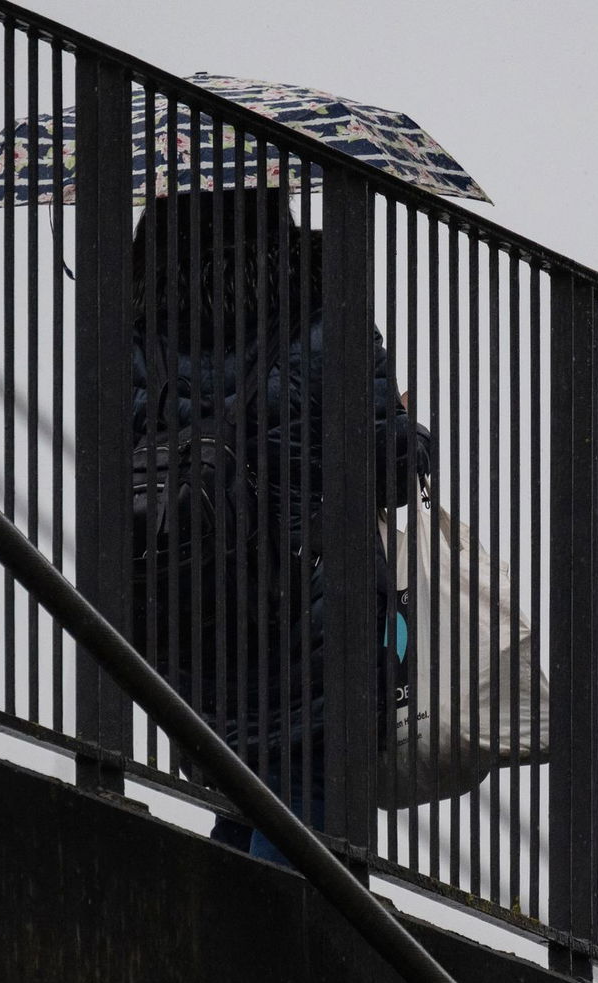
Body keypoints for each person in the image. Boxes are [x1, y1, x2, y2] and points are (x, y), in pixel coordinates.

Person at [123, 186, 419, 863]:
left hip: (187, 617)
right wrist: (409, 428)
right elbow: (390, 468)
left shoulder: (133, 337)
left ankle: (222, 954)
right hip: (313, 612)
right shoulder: (327, 321)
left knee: (245, 790)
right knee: (313, 828)